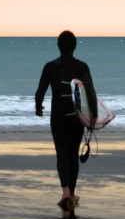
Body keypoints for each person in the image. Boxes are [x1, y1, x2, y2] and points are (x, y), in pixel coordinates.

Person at [35, 31, 98, 209]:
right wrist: (93, 115)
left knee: (62, 153)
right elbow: (91, 93)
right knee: (72, 155)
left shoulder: (50, 67)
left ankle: (65, 191)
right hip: (76, 118)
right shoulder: (81, 67)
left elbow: (40, 91)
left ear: (58, 46)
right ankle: (72, 192)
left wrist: (38, 107)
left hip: (58, 118)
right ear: (75, 46)